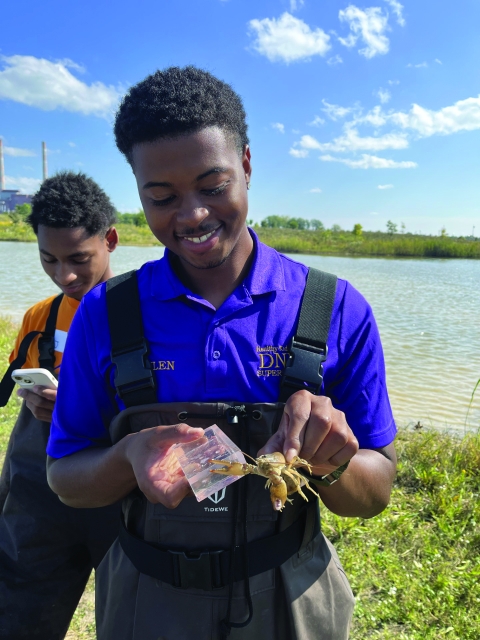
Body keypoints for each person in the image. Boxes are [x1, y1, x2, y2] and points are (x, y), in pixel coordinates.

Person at [46, 67, 397, 640]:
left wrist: (331, 462)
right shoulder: (106, 313)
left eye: (213, 186)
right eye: (161, 198)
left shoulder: (334, 308)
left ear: (248, 167)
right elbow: (65, 476)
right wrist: (127, 457)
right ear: (138, 193)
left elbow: (375, 490)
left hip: (291, 597)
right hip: (146, 601)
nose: (192, 215)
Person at [0, 171, 122, 639]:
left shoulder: (148, 314)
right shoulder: (40, 317)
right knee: (18, 613)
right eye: (48, 259)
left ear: (110, 239)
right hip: (39, 495)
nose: (63, 275)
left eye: (78, 258)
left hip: (117, 490)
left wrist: (84, 408)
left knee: (129, 615)